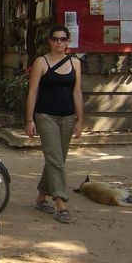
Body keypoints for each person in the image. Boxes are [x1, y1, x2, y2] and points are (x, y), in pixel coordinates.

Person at [24, 24, 83, 224]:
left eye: (63, 39)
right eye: (55, 39)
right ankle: (61, 204)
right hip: (45, 116)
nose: (59, 42)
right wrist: (29, 119)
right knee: (55, 158)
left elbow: (77, 92)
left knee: (58, 160)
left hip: (67, 117)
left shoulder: (75, 63)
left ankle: (41, 197)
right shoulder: (41, 62)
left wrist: (80, 120)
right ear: (50, 41)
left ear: (68, 41)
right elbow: (32, 91)